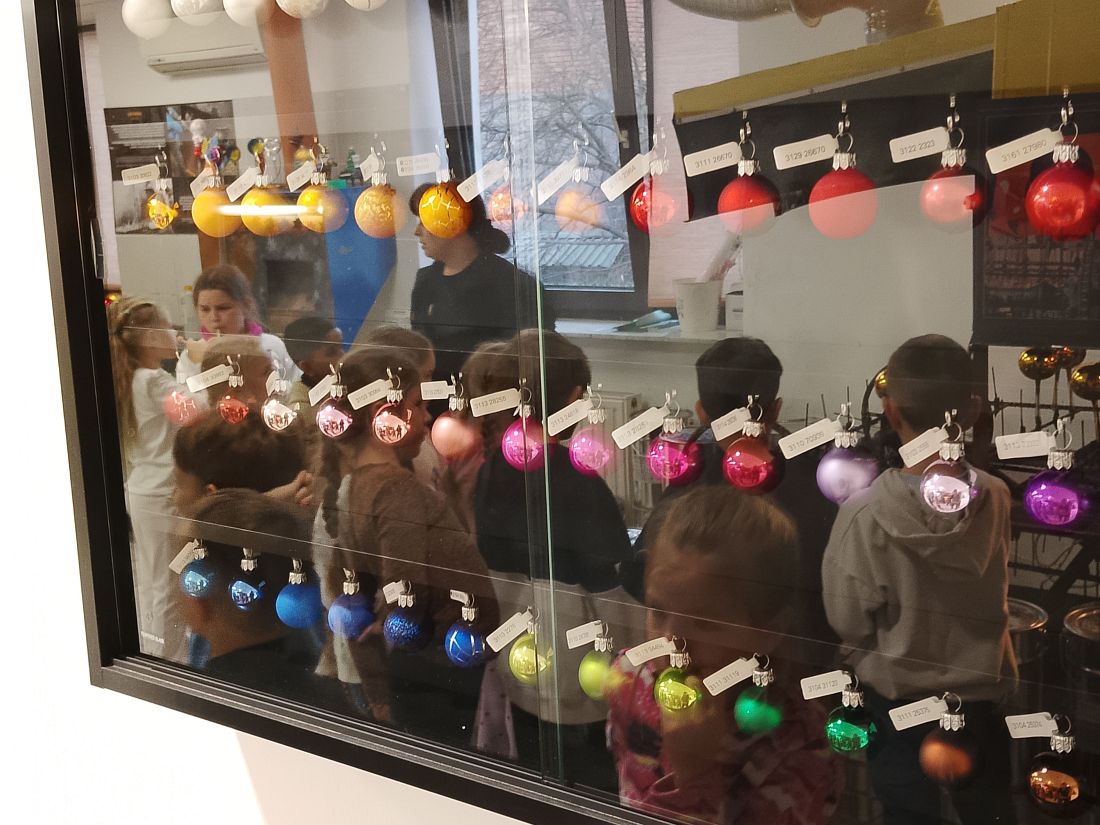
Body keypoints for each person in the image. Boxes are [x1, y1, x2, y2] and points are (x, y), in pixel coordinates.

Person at [820, 334, 1017, 825]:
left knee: (908, 814)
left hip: (899, 711)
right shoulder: (995, 497)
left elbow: (847, 620)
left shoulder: (862, 513)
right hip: (979, 707)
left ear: (890, 412)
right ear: (972, 412)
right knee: (989, 813)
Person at [607, 486, 842, 825]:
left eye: (705, 624)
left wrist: (694, 773)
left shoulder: (800, 742)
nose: (672, 644)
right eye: (658, 611)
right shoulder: (629, 679)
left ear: (768, 632)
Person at [472, 329, 635, 790]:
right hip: (581, 682)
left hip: (520, 665)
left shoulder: (492, 467)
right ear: (574, 397)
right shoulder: (579, 483)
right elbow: (613, 593)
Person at [316, 347, 498, 747]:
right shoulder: (395, 489)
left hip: (427, 666)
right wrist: (381, 686)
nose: (428, 417)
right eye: (417, 405)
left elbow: (351, 593)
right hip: (438, 670)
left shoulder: (357, 485)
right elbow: (405, 589)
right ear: (384, 414)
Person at [623, 337, 839, 667]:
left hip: (694, 671)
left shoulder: (685, 487)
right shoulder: (819, 485)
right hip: (798, 667)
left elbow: (638, 578)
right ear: (776, 409)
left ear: (702, 413)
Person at [108, 297, 189, 662]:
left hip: (144, 491)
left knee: (153, 580)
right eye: (168, 327)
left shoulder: (134, 378)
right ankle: (166, 658)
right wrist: (195, 363)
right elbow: (192, 412)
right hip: (160, 494)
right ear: (149, 337)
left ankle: (155, 648)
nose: (175, 333)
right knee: (167, 584)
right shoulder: (153, 380)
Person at [409, 184, 556, 384]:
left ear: (454, 222)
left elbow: (532, 365)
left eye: (424, 222)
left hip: (494, 397)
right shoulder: (426, 281)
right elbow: (419, 355)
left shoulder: (514, 285)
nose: (417, 231)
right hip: (435, 399)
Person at [176, 263, 300, 387]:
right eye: (205, 309)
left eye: (223, 308)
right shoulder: (192, 356)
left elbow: (296, 389)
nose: (214, 318)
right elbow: (186, 396)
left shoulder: (272, 346)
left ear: (246, 306)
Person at [283, 316, 344, 418]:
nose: (343, 356)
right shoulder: (298, 407)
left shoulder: (347, 380)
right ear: (307, 367)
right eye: (332, 352)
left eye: (341, 347)